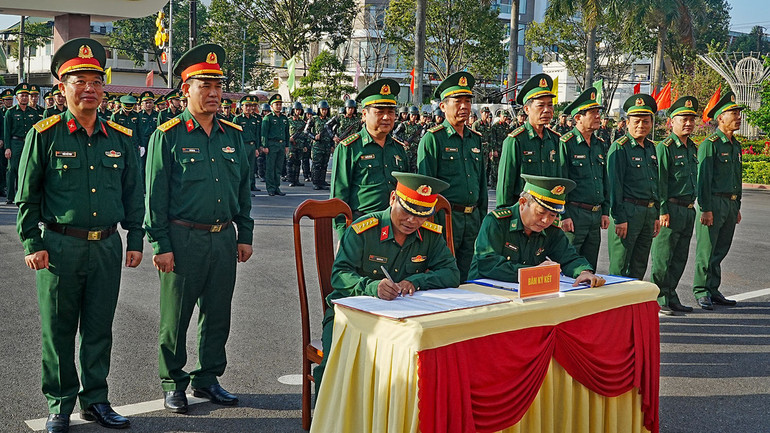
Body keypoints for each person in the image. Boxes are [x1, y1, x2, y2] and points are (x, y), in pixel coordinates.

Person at [16, 38, 143, 433]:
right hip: (59, 247)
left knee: (99, 328)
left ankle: (96, 401)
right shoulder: (46, 133)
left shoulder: (120, 137)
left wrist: (135, 239)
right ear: (62, 87)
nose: (89, 88)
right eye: (79, 80)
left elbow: (133, 193)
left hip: (106, 245)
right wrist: (32, 242)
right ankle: (59, 404)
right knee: (58, 331)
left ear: (104, 88)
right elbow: (27, 195)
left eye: (96, 81)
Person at [145, 43, 254, 414]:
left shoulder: (233, 134)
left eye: (218, 86)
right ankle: (172, 382)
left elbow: (243, 188)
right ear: (185, 90)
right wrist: (160, 243)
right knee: (176, 317)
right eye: (203, 86)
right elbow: (155, 195)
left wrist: (246, 234)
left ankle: (208, 378)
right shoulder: (169, 134)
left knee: (218, 312)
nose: (213, 93)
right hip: (183, 236)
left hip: (223, 237)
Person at [314, 172, 460, 390]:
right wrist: (373, 287)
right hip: (350, 316)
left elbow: (451, 273)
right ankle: (326, 422)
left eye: (421, 215)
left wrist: (415, 281)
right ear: (393, 198)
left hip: (402, 320)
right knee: (333, 364)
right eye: (407, 211)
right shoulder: (364, 229)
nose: (412, 221)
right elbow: (339, 274)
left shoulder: (429, 235)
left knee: (431, 362)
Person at [468, 175, 605, 287]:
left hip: (526, 293)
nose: (546, 220)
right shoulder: (496, 221)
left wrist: (583, 272)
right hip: (485, 291)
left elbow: (568, 257)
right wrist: (532, 273)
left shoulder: (551, 229)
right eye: (540, 212)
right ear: (522, 203)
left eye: (553, 215)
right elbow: (487, 263)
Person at [417, 71, 486, 281]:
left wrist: (481, 218)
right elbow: (425, 191)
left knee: (470, 276)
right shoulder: (433, 140)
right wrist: (431, 225)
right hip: (446, 219)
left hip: (472, 219)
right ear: (443, 106)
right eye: (458, 101)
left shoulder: (475, 139)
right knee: (445, 276)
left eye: (467, 101)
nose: (464, 106)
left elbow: (481, 183)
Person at [330, 79, 408, 237]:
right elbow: (339, 199)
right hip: (362, 226)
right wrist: (344, 236)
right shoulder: (349, 148)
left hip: (395, 226)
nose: (386, 117)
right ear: (364, 115)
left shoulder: (399, 149)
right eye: (379, 111)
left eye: (391, 111)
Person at [691, 91, 743, 309]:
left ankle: (713, 288)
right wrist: (705, 208)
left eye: (739, 113)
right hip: (713, 203)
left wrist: (737, 205)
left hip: (730, 204)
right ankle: (701, 290)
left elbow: (736, 178)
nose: (738, 117)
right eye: (733, 113)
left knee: (721, 248)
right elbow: (703, 180)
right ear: (720, 117)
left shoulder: (735, 145)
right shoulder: (710, 144)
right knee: (707, 249)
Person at [650, 96, 699, 315]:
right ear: (671, 122)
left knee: (680, 257)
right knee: (663, 257)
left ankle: (671, 294)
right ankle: (658, 298)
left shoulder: (692, 148)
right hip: (670, 209)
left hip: (688, 209)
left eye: (691, 119)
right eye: (683, 118)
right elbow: (660, 181)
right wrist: (662, 210)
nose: (688, 123)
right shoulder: (665, 148)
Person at [607, 94, 660, 278]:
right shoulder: (620, 147)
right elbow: (614, 187)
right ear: (627, 123)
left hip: (648, 213)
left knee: (639, 264)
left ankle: (633, 306)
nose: (641, 126)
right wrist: (619, 218)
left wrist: (656, 214)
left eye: (645, 121)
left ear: (651, 123)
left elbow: (655, 183)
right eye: (636, 121)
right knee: (620, 265)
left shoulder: (651, 148)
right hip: (628, 213)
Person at [559, 88, 609, 270]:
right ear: (578, 118)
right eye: (593, 113)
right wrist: (563, 215)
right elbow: (560, 183)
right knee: (569, 265)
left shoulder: (599, 144)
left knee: (589, 266)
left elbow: (604, 180)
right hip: (574, 214)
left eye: (598, 113)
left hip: (594, 215)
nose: (598, 117)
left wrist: (605, 211)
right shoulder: (566, 143)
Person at [497, 73, 564, 207]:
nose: (547, 110)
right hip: (524, 211)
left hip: (548, 211)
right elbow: (505, 186)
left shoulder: (555, 140)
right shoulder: (515, 140)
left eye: (550, 105)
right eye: (541, 106)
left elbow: (559, 179)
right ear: (527, 109)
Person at [4, 83, 37, 204]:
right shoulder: (11, 113)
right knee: (12, 169)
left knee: (26, 169)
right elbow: (6, 132)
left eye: (26, 95)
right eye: (22, 95)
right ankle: (10, 196)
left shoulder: (33, 113)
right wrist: (7, 148)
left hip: (28, 143)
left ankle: (21, 194)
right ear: (16, 98)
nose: (24, 98)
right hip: (15, 142)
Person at [261, 94, 290, 196]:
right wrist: (264, 146)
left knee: (278, 168)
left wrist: (287, 145)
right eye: (276, 104)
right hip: (272, 144)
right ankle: (270, 188)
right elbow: (264, 133)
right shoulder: (267, 118)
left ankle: (277, 187)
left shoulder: (284, 118)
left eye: (280, 104)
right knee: (270, 167)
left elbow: (287, 133)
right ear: (271, 106)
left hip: (281, 145)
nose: (278, 106)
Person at [233, 95, 261, 192]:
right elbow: (235, 136)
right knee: (243, 168)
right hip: (243, 146)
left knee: (251, 168)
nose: (249, 108)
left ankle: (249, 187)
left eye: (250, 106)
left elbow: (257, 134)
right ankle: (243, 189)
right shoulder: (238, 119)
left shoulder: (254, 119)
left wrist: (257, 148)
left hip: (252, 146)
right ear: (241, 107)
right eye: (246, 106)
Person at [307, 100, 334, 190]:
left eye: (326, 110)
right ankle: (315, 182)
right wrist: (314, 136)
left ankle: (322, 181)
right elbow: (306, 131)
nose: (324, 111)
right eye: (322, 109)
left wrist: (332, 145)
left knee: (324, 165)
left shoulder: (329, 121)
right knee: (316, 165)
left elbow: (331, 133)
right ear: (319, 110)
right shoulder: (314, 119)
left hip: (326, 146)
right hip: (317, 146)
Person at [287, 101, 310, 187]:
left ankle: (296, 180)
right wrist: (289, 138)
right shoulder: (288, 121)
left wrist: (305, 145)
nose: (298, 111)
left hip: (300, 145)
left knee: (298, 163)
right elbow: (285, 132)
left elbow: (305, 135)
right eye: (296, 110)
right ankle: (291, 180)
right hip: (291, 145)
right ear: (293, 110)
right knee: (290, 162)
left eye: (299, 110)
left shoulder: (302, 123)